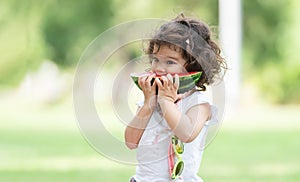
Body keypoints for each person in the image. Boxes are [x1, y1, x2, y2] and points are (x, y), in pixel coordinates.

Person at [124, 13, 227, 182]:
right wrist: (148, 104)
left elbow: (187, 133)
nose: (159, 68)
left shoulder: (199, 104)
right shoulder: (148, 102)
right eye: (155, 59)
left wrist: (166, 102)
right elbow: (130, 142)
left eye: (170, 62)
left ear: (194, 65)